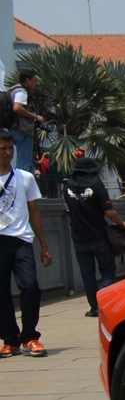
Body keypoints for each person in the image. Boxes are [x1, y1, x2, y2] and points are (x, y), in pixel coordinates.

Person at [0, 127, 52, 356]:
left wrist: (44, 245)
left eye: (10, 148)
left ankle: (30, 337)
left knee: (30, 286)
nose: (7, 153)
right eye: (2, 149)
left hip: (21, 240)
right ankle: (10, 339)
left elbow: (35, 213)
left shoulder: (26, 177)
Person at [61, 157, 125, 318]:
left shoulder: (67, 188)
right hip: (99, 236)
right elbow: (109, 212)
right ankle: (102, 304)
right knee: (108, 271)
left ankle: (93, 307)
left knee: (87, 274)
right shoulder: (97, 186)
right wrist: (122, 223)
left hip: (78, 238)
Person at [9, 67, 44, 173]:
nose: (36, 83)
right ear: (27, 80)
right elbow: (17, 108)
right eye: (35, 81)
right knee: (24, 164)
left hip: (14, 128)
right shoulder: (22, 92)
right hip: (22, 131)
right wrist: (35, 117)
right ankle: (21, 188)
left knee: (29, 162)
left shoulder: (13, 89)